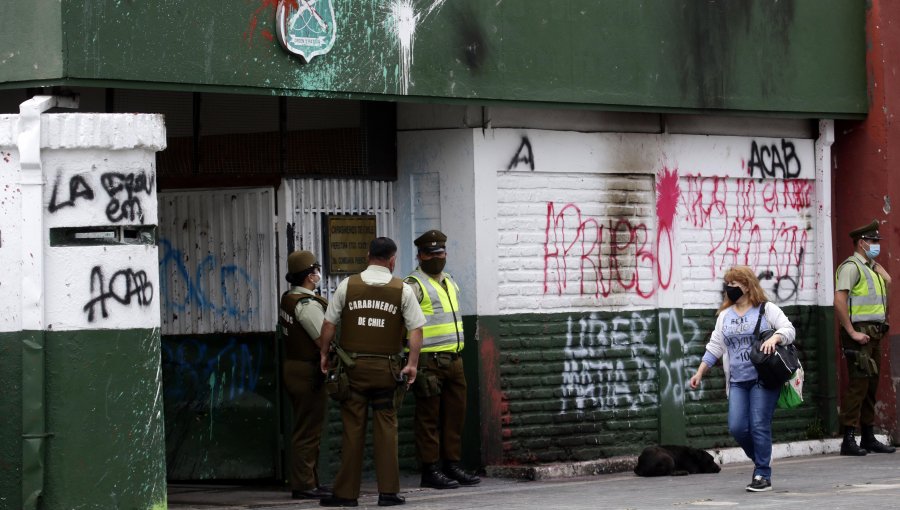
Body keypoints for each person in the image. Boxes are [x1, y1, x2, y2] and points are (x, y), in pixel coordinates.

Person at [317, 237, 426, 508]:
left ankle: (346, 495)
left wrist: (323, 353)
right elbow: (416, 330)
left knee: (353, 430)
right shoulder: (403, 290)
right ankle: (388, 493)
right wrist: (412, 363)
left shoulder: (347, 285)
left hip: (353, 371)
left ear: (368, 256)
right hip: (387, 371)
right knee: (386, 429)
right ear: (392, 260)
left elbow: (329, 324)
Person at [689, 266, 796, 493]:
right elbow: (715, 346)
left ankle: (762, 474)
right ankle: (761, 459)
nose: (729, 289)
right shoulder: (724, 316)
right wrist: (700, 372)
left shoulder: (766, 310)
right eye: (727, 284)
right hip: (737, 380)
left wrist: (776, 338)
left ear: (747, 286)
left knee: (758, 424)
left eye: (734, 284)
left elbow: (789, 329)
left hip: (763, 378)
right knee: (737, 427)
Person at [405, 230, 480, 489]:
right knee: (428, 418)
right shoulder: (413, 285)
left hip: (455, 360)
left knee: (454, 416)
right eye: (430, 253)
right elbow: (404, 324)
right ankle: (430, 470)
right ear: (420, 256)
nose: (436, 257)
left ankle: (452, 465)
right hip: (429, 362)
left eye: (440, 252)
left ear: (446, 254)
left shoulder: (450, 281)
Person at [834, 220, 896, 456]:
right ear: (861, 243)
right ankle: (848, 439)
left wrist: (887, 280)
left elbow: (881, 301)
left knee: (871, 384)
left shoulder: (873, 268)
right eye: (872, 241)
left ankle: (868, 436)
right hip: (858, 334)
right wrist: (851, 332)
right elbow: (839, 301)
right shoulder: (851, 267)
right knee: (858, 384)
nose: (876, 245)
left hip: (874, 335)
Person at [279, 250, 333, 500]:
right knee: (308, 430)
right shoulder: (305, 304)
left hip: (294, 368)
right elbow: (323, 339)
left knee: (307, 427)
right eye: (316, 271)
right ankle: (304, 484)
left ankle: (310, 480)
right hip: (307, 371)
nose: (318, 274)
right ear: (311, 275)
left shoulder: (289, 299)